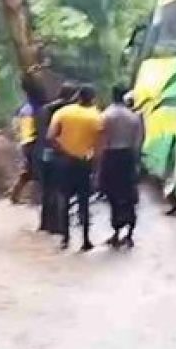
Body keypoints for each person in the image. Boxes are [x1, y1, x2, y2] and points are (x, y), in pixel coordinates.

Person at [49, 84, 103, 251]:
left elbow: (50, 136)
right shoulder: (96, 117)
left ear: (78, 96)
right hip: (84, 163)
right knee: (84, 202)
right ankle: (85, 240)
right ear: (93, 98)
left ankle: (65, 238)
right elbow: (99, 147)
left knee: (64, 199)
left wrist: (63, 151)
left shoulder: (63, 112)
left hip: (64, 162)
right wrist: (96, 167)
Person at [98, 87, 145, 248]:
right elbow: (138, 142)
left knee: (112, 194)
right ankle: (130, 233)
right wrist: (136, 162)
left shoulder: (106, 115)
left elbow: (102, 140)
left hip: (111, 156)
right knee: (129, 194)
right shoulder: (134, 117)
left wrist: (98, 163)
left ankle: (116, 231)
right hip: (128, 157)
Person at [36, 82, 77, 234]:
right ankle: (59, 224)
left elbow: (40, 131)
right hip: (60, 153)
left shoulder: (45, 109)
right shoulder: (67, 111)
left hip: (43, 151)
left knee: (47, 189)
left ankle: (46, 223)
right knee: (61, 189)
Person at [7, 82, 44, 204]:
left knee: (29, 171)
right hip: (32, 143)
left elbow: (17, 128)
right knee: (37, 170)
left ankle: (15, 195)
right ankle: (40, 198)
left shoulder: (25, 108)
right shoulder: (33, 109)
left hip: (27, 142)